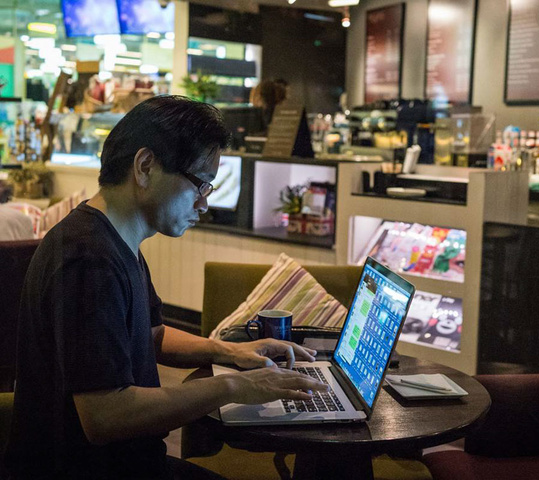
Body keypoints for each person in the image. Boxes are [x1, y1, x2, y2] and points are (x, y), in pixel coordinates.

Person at [4, 96, 327, 479]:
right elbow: (106, 416)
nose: (204, 203)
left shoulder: (115, 239)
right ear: (145, 167)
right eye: (200, 184)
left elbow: (152, 334)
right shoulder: (86, 259)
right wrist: (234, 387)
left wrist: (233, 352)